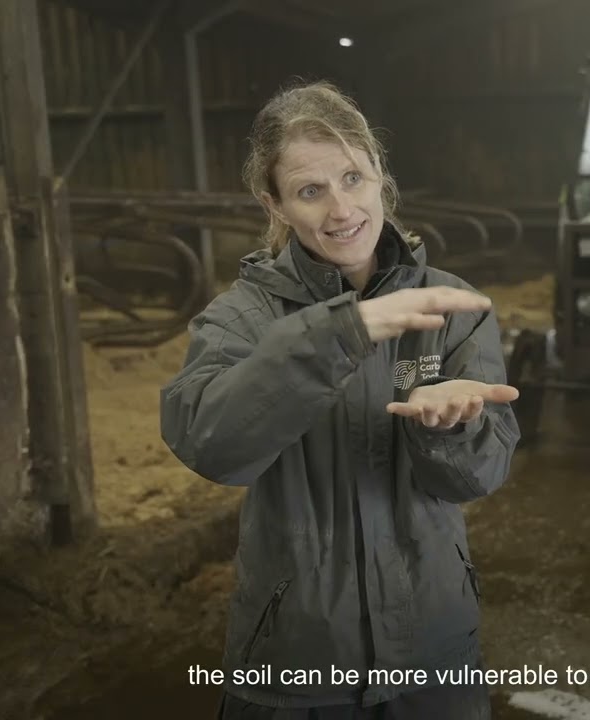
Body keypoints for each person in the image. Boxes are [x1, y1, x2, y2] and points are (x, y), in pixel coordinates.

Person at [159, 80, 520, 719]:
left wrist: (449, 429)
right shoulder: (240, 319)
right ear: (274, 203)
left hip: (431, 650)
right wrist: (337, 335)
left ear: (379, 172)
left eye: (353, 178)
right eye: (309, 190)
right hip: (296, 657)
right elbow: (212, 447)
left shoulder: (448, 305)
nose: (340, 209)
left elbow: (479, 474)